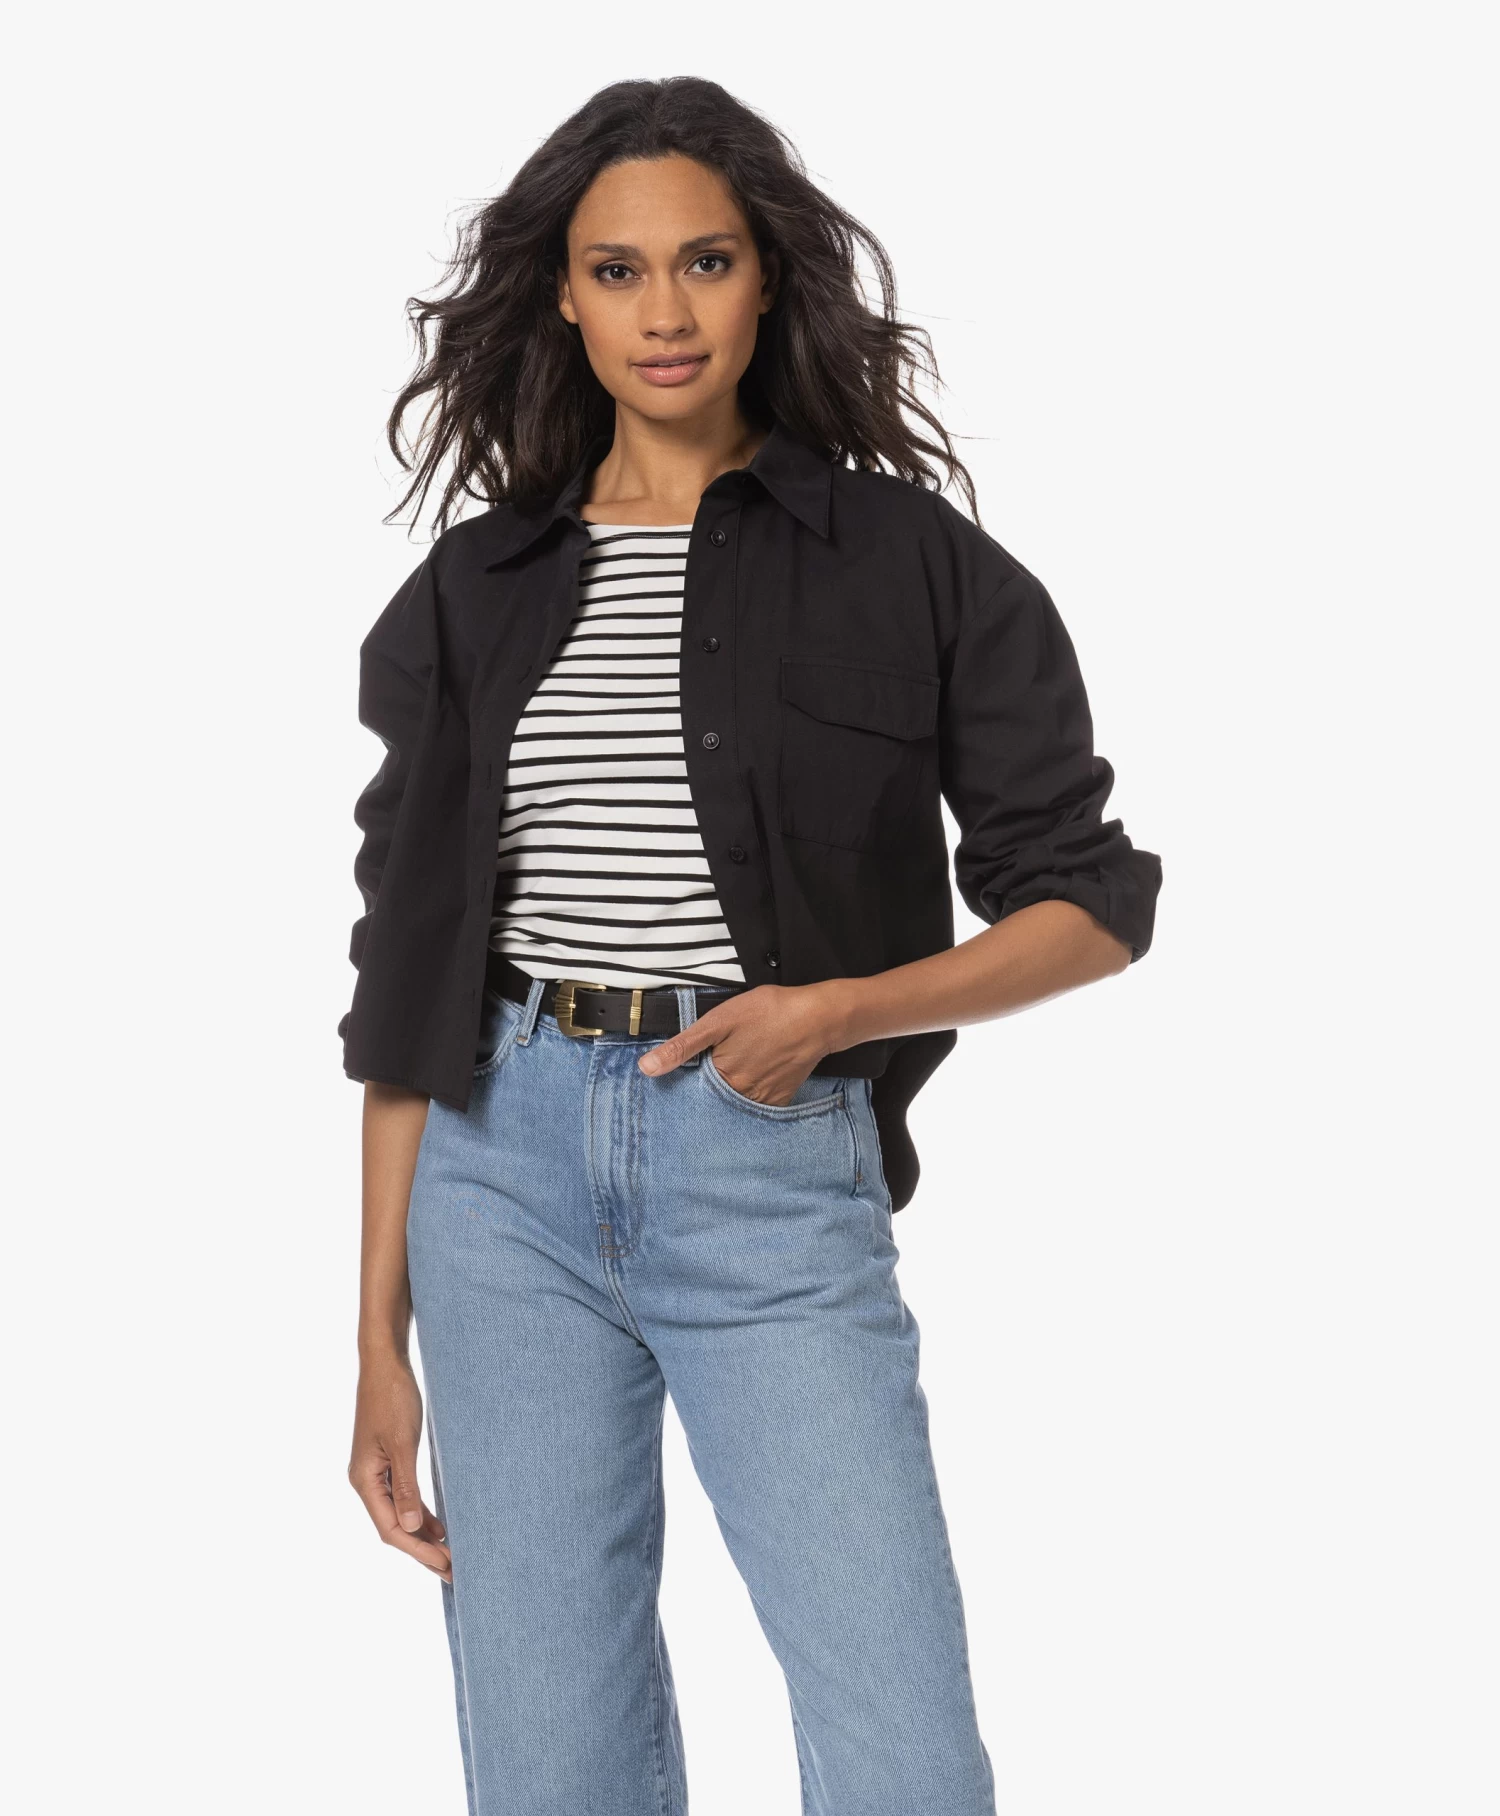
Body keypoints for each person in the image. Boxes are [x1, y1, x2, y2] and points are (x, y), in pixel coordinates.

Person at [341, 75, 1161, 1815]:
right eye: (619, 270)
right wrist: (375, 1344)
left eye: (704, 262)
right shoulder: (475, 590)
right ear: (564, 298)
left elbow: (1089, 906)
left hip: (767, 1160)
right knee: (551, 1761)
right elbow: (404, 983)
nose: (666, 311)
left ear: (765, 279)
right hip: (495, 1179)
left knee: (903, 1750)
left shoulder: (906, 561)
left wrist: (843, 1011)